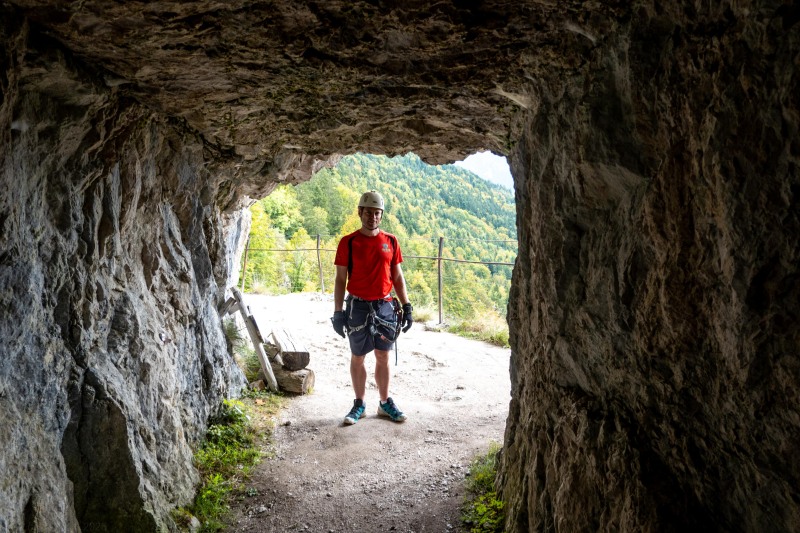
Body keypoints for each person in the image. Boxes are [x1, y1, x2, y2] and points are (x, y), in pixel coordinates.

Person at [331, 190, 414, 425]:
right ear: (360, 212)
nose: (373, 217)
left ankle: (384, 403)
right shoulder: (348, 243)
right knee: (358, 357)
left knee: (383, 355)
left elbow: (397, 276)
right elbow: (340, 279)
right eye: (369, 212)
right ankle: (359, 404)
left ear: (381, 215)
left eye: (377, 213)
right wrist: (338, 312)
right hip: (358, 305)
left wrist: (406, 305)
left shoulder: (391, 241)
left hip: (385, 305)